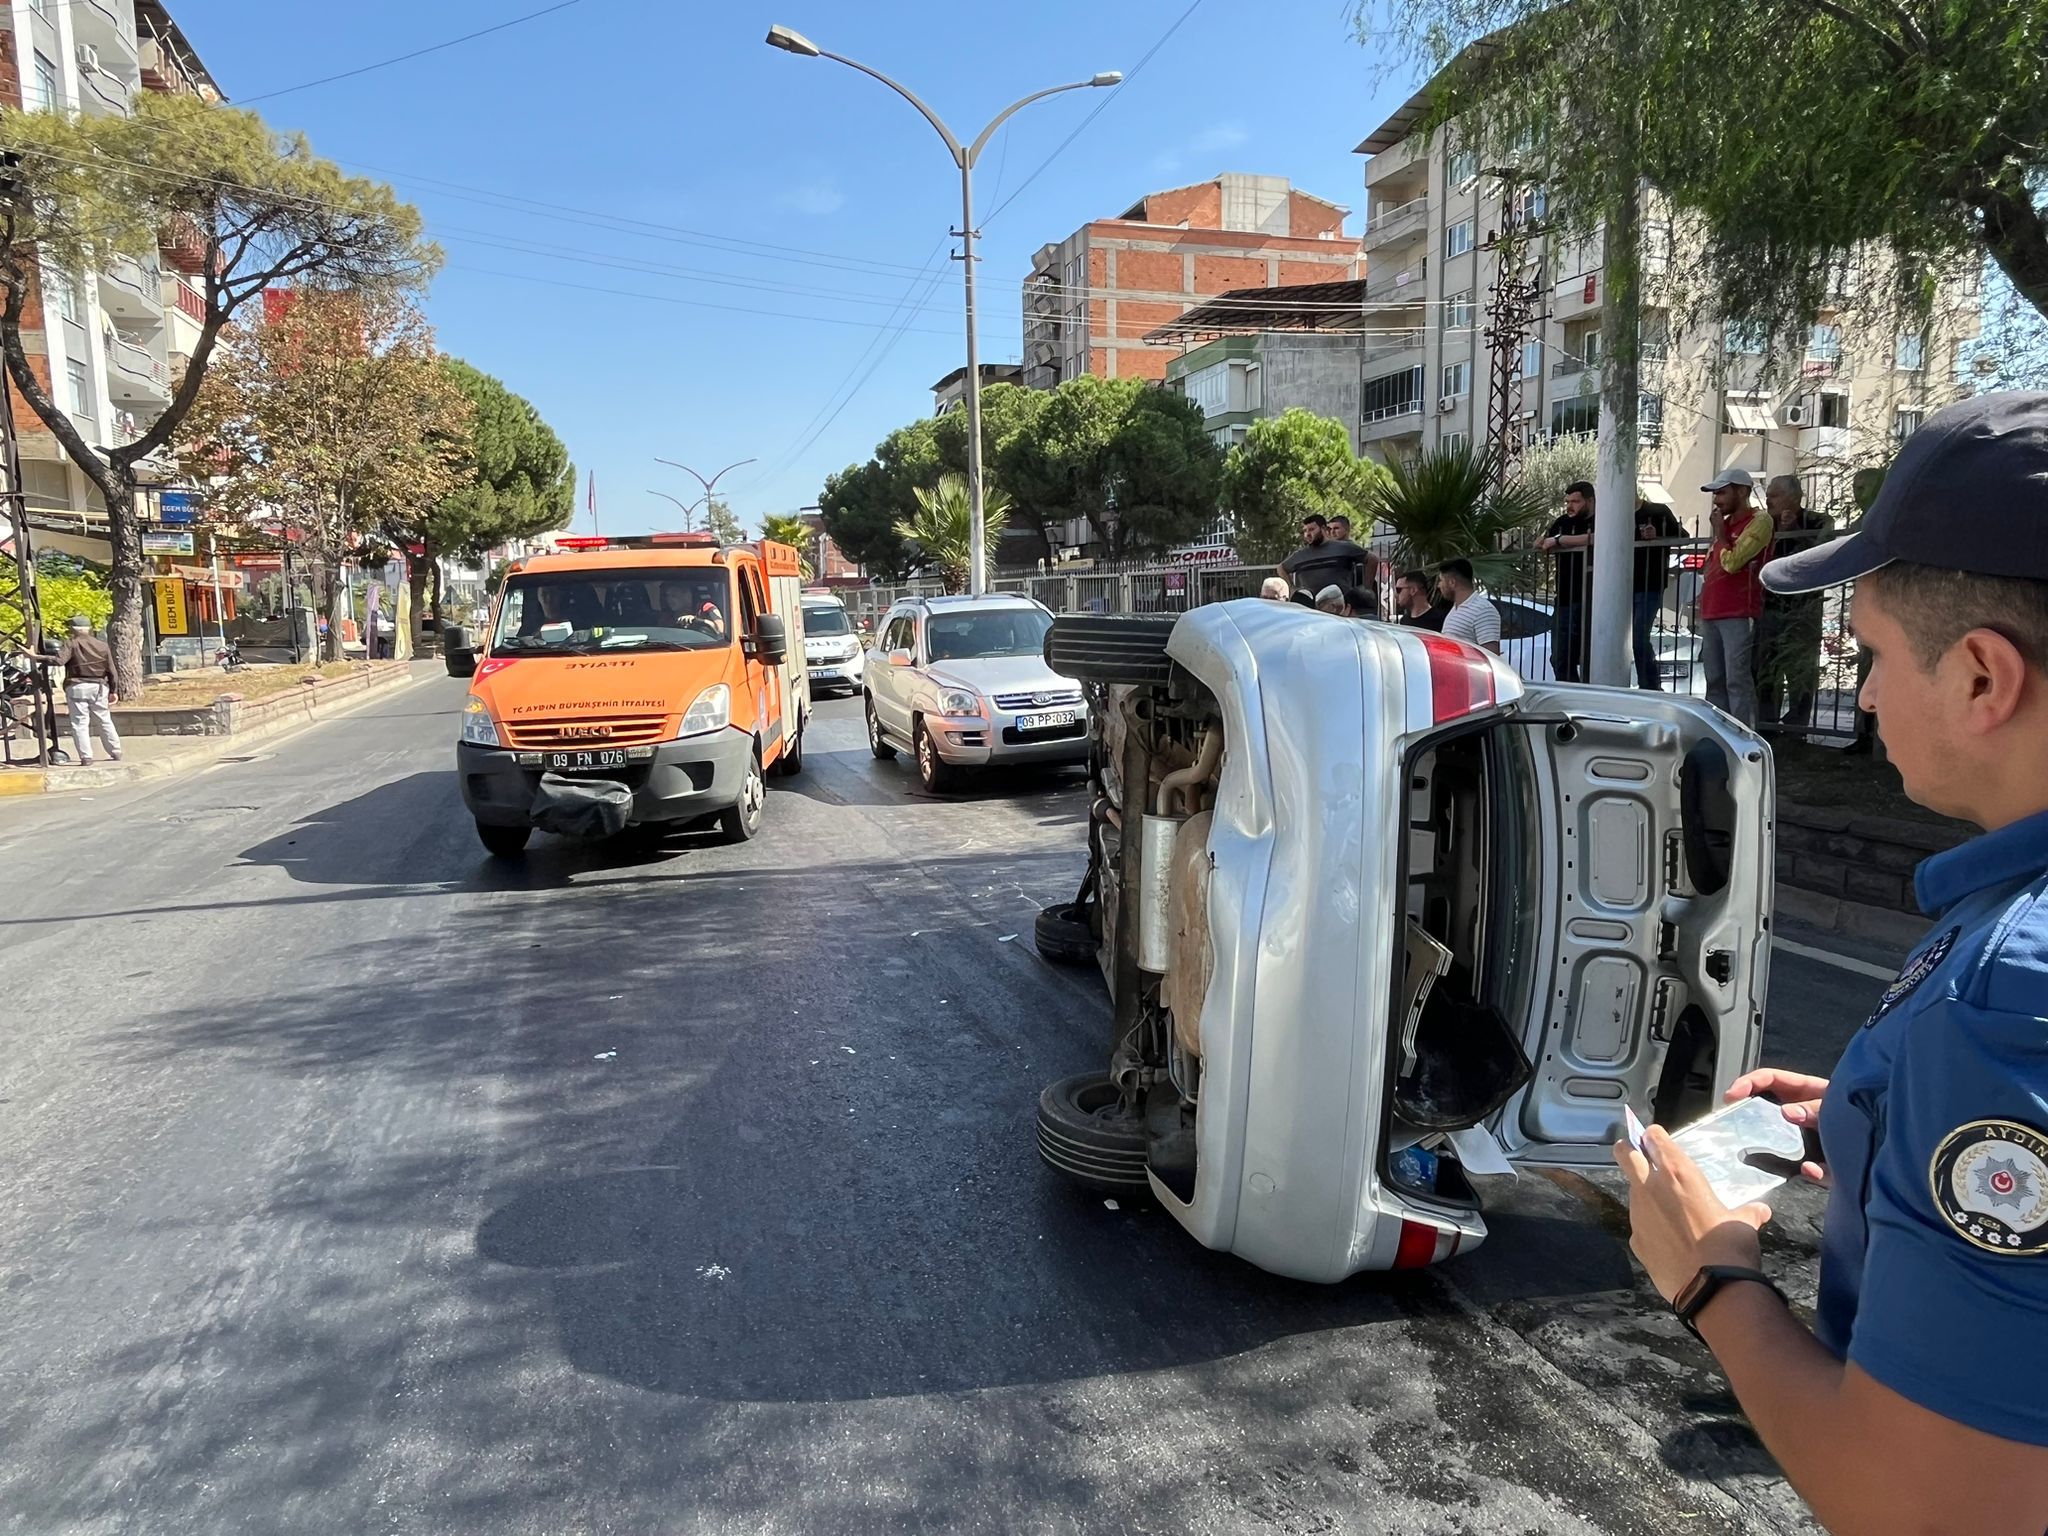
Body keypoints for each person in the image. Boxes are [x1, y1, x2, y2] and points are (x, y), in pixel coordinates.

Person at [1616, 391, 2048, 1536]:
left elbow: (1928, 1509)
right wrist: (1876, 1113)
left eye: (1870, 657)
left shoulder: (2003, 1001)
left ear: (1979, 679)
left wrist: (1709, 1278)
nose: (1857, 694)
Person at [1755, 475, 1834, 731]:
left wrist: (1796, 533)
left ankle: (1797, 728)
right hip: (1770, 605)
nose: (1769, 499)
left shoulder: (1817, 521)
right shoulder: (1765, 524)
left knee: (1800, 670)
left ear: (1794, 497)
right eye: (1768, 493)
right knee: (1766, 668)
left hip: (1803, 608)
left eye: (1775, 494)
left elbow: (1821, 554)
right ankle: (1767, 724)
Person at [1696, 469, 1774, 725]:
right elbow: (1712, 567)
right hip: (1711, 610)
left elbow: (1732, 563)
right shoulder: (1726, 525)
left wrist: (1720, 533)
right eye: (1715, 494)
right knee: (1714, 679)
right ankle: (1719, 734)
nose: (1717, 500)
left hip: (1738, 611)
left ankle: (1745, 737)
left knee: (1736, 679)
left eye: (1721, 492)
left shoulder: (1759, 520)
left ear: (1742, 491)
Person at [1537, 481, 1596, 681]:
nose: (1570, 506)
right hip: (1564, 597)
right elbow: (1545, 540)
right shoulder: (1563, 521)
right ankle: (1572, 693)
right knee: (1559, 658)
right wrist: (1542, 542)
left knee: (1587, 656)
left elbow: (1597, 538)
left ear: (1590, 501)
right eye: (1567, 501)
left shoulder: (1600, 520)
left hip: (1589, 597)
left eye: (1576, 501)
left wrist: (1559, 540)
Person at [1631, 494, 1686, 690]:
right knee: (1628, 638)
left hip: (1649, 583)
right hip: (1621, 585)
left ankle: (1650, 685)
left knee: (1639, 637)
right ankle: (1645, 684)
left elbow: (1684, 538)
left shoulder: (1658, 511)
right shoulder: (1614, 515)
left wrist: (1658, 537)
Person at [56, 614, 121, 766]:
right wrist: (113, 690)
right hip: (99, 687)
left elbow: (59, 661)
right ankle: (116, 751)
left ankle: (86, 757)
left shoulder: (71, 643)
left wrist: (37, 656)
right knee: (104, 720)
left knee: (79, 723)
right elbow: (112, 671)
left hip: (77, 686)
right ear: (89, 628)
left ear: (73, 629)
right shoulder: (102, 646)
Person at [1278, 514, 1368, 599]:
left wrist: (1367, 587)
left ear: (1323, 528)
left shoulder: (1343, 547)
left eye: (1311, 529)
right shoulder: (1300, 555)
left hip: (1340, 606)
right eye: (1305, 531)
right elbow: (1281, 568)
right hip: (1311, 607)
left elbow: (1371, 559)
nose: (1307, 534)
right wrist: (1291, 588)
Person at [1435, 559, 1501, 656]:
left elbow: (1491, 657)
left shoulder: (1483, 610)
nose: (1438, 586)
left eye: (1441, 580)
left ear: (1452, 582)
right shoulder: (1455, 609)